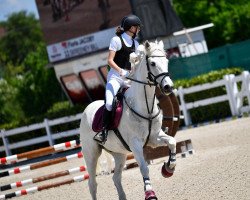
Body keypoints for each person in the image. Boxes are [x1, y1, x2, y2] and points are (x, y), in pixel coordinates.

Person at [94, 14, 142, 144]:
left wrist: (133, 72)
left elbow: (137, 63)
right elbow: (109, 60)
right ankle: (103, 131)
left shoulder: (136, 43)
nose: (139, 30)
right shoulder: (116, 40)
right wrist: (121, 72)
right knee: (109, 103)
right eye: (137, 27)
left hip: (129, 79)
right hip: (115, 78)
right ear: (131, 28)